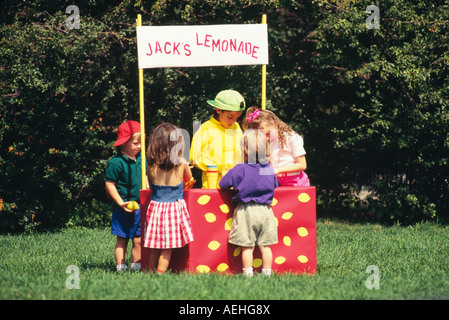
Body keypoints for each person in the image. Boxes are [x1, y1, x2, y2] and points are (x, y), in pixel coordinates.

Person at [219, 129, 279, 276]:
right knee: (266, 246)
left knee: (247, 246)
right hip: (266, 211)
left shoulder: (240, 169)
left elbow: (223, 184)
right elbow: (274, 184)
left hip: (246, 211)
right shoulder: (268, 169)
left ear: (244, 151)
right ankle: (267, 273)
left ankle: (247, 273)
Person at [143, 123, 194, 273]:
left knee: (155, 246)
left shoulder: (151, 166)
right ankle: (160, 273)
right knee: (167, 247)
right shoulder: (181, 164)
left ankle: (149, 271)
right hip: (173, 209)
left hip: (156, 207)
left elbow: (150, 185)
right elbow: (188, 180)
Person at [105, 120, 144, 272]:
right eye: (135, 143)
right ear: (123, 143)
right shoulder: (116, 163)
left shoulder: (142, 158)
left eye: (141, 143)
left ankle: (136, 267)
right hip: (122, 207)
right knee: (122, 239)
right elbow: (110, 185)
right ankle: (121, 267)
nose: (139, 146)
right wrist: (121, 203)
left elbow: (145, 177)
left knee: (138, 239)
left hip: (140, 205)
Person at [190, 89, 245, 188]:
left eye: (237, 118)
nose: (233, 121)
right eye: (230, 117)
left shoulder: (236, 127)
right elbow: (195, 158)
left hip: (236, 187)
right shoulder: (205, 128)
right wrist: (220, 167)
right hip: (213, 187)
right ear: (218, 110)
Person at [242, 106, 310, 187]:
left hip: (296, 183)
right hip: (277, 183)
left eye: (267, 133)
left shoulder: (292, 138)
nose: (266, 138)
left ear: (274, 122)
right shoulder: (266, 142)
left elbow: (302, 165)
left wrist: (278, 170)